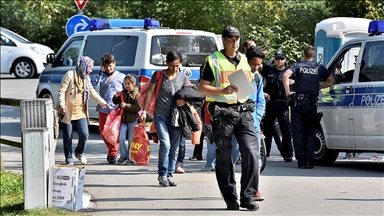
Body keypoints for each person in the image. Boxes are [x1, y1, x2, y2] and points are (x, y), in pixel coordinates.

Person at [199, 26, 260, 211]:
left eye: (237, 38)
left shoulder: (244, 60)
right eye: (231, 38)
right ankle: (230, 197)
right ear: (224, 40)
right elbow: (202, 88)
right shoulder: (213, 60)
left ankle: (248, 196)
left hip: (244, 112)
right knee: (224, 157)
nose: (234, 42)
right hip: (223, 114)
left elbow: (252, 82)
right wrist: (222, 90)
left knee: (251, 153)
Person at [139, 51, 188, 187]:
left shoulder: (182, 77)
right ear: (167, 63)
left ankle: (170, 175)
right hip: (161, 116)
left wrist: (184, 102)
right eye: (172, 66)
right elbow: (149, 92)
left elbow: (188, 95)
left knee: (175, 148)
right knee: (165, 145)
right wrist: (143, 111)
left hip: (177, 117)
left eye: (177, 65)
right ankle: (162, 174)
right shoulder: (159, 75)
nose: (175, 69)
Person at [283, 45, 336, 169]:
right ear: (313, 56)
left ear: (303, 55)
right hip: (311, 105)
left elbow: (285, 75)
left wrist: (287, 91)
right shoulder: (319, 67)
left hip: (298, 104)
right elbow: (332, 80)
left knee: (298, 133)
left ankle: (301, 162)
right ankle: (309, 162)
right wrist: (319, 87)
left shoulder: (298, 65)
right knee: (310, 133)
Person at [58, 56, 108, 165]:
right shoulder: (69, 75)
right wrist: (62, 105)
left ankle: (79, 152)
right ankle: (69, 158)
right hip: (68, 111)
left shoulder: (86, 77)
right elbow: (61, 92)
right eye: (89, 67)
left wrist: (102, 102)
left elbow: (91, 91)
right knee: (68, 137)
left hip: (80, 112)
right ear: (84, 66)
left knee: (85, 134)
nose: (90, 70)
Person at [231, 45, 266, 201]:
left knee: (253, 157)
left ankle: (254, 189)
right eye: (253, 64)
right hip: (234, 121)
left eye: (259, 65)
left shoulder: (258, 78)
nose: (256, 67)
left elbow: (260, 101)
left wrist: (257, 118)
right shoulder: (237, 75)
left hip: (253, 124)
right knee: (232, 156)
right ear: (247, 61)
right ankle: (229, 187)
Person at [259, 51, 294, 161]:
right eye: (277, 58)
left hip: (282, 103)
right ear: (274, 60)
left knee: (286, 130)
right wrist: (262, 54)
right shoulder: (269, 69)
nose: (279, 60)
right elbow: (257, 65)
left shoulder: (288, 72)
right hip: (270, 102)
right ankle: (265, 153)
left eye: (281, 58)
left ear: (285, 59)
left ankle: (287, 154)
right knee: (267, 130)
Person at [92, 54, 126, 164]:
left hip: (115, 108)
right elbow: (94, 84)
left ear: (114, 64)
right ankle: (111, 150)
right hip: (103, 107)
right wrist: (100, 72)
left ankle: (113, 153)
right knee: (102, 132)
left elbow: (127, 91)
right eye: (106, 66)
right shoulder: (101, 75)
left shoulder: (121, 77)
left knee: (113, 132)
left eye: (110, 66)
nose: (108, 68)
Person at [112, 74, 142, 165]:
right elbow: (115, 102)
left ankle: (130, 158)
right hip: (123, 120)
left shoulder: (137, 95)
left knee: (130, 140)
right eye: (125, 83)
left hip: (132, 120)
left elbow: (138, 107)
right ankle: (123, 156)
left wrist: (126, 106)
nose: (127, 85)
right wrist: (116, 97)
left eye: (128, 83)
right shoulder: (122, 93)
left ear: (133, 84)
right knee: (121, 139)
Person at [189, 65, 206, 161]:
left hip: (209, 108)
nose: (203, 74)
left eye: (205, 72)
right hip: (199, 108)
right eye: (202, 72)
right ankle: (197, 154)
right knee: (199, 130)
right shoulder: (198, 82)